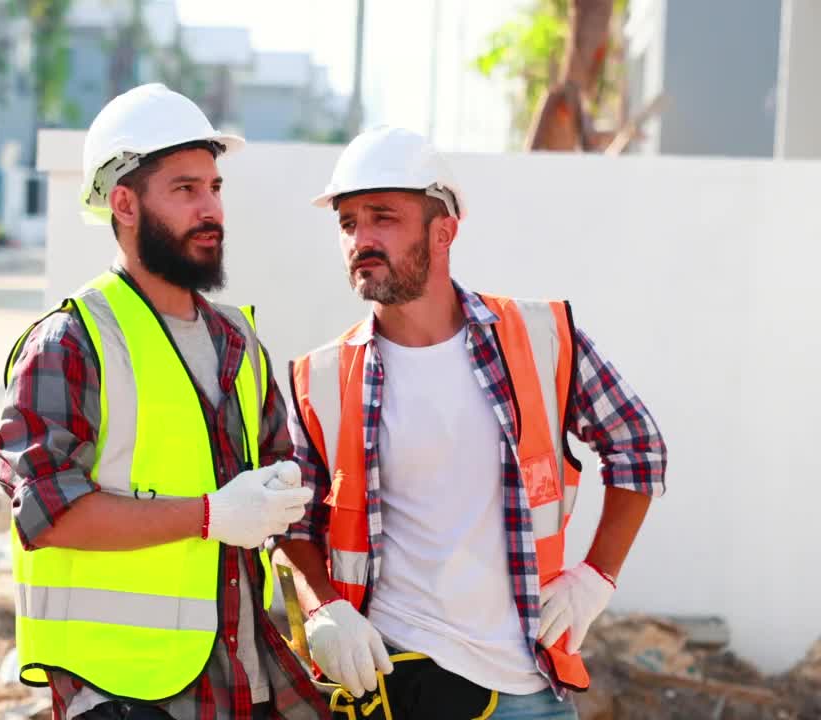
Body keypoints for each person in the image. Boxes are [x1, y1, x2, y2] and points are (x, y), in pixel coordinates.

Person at [272, 127, 668, 719]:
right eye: (349, 222)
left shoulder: (537, 337)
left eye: (383, 217)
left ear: (443, 231)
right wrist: (323, 607)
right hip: (399, 682)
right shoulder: (322, 377)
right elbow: (295, 524)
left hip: (528, 687)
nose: (362, 239)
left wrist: (596, 578)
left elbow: (639, 446)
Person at [0, 84, 329, 720]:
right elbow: (46, 513)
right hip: (121, 692)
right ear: (124, 203)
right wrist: (208, 516)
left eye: (214, 187)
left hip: (240, 679)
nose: (211, 210)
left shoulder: (238, 342)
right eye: (185, 190)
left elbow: (287, 509)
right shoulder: (72, 342)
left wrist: (326, 607)